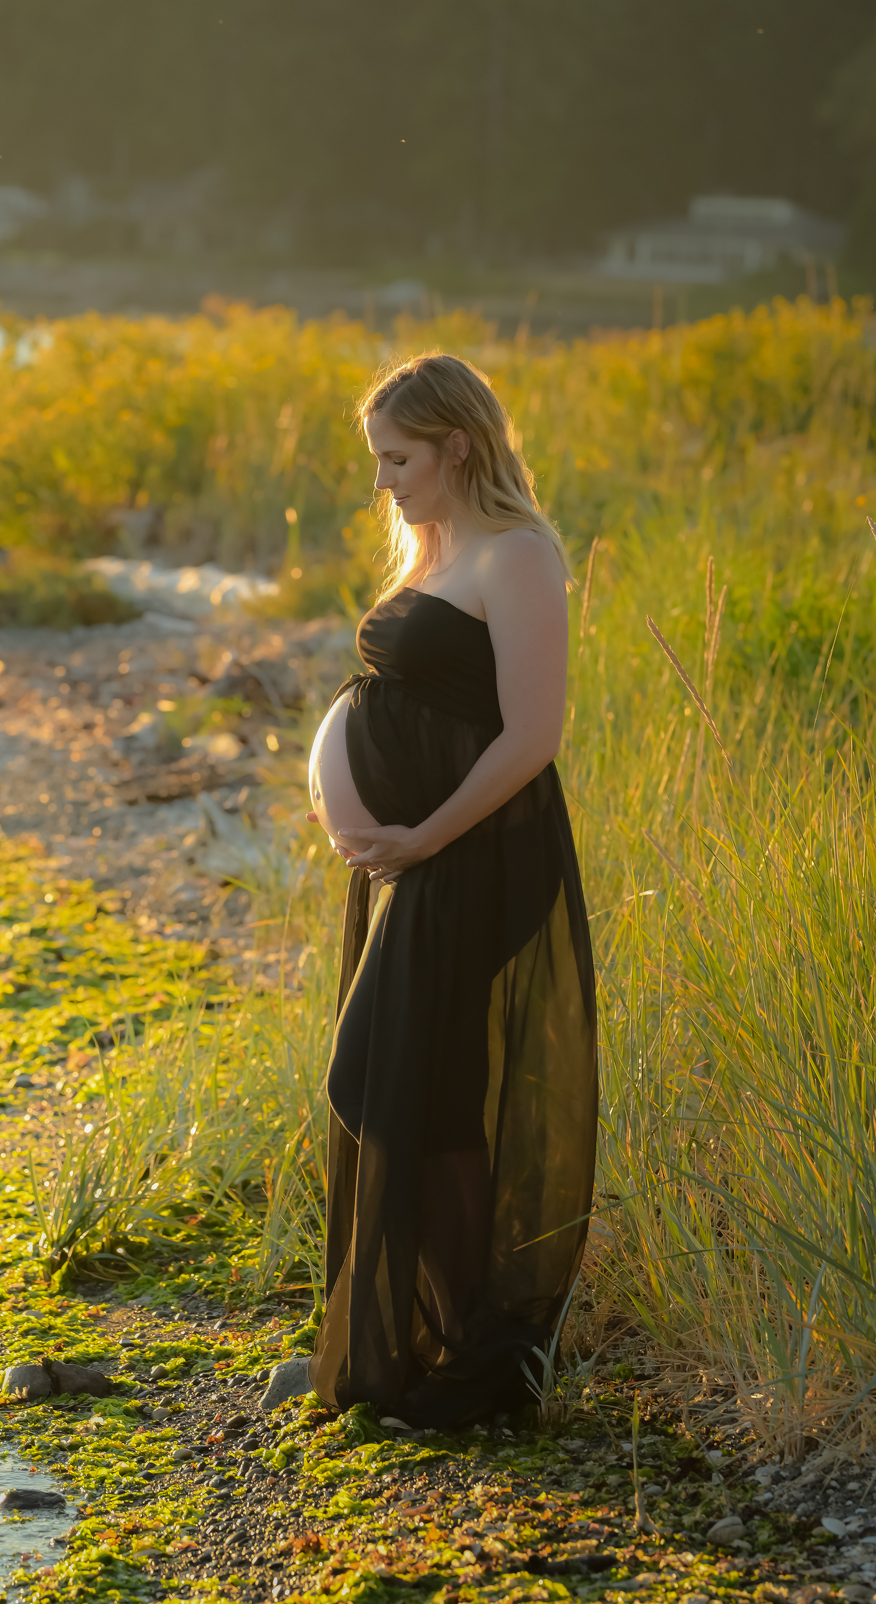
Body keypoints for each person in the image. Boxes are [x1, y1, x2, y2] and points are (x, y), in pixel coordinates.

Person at [301, 350, 597, 1430]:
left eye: (399, 457)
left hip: (480, 850)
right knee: (416, 1079)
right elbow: (389, 691)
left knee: (386, 1076)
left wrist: (422, 835)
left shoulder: (517, 553)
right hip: (430, 852)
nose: (384, 480)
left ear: (457, 444)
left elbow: (532, 736)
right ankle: (462, 1341)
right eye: (378, 458)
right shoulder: (435, 545)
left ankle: (482, 1344)